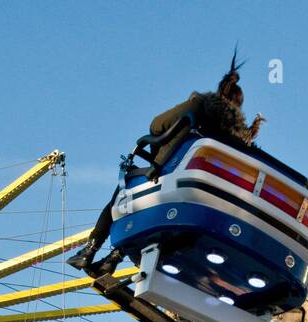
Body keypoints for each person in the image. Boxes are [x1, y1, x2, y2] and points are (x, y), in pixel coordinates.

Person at [67, 52, 266, 276]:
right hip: (217, 206)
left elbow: (158, 125)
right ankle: (113, 258)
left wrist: (158, 158)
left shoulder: (198, 107)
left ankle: (91, 251)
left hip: (175, 179)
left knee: (125, 193)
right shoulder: (241, 142)